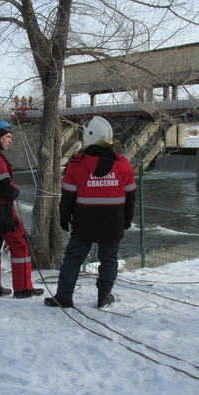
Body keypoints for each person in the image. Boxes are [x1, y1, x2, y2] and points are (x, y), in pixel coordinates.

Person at [44, 116, 136, 309]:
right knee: (109, 260)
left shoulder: (76, 163)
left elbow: (67, 195)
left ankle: (64, 297)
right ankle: (103, 297)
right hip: (113, 222)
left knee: (73, 260)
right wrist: (126, 220)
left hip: (84, 223)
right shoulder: (123, 164)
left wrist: (64, 217)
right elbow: (130, 197)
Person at [0, 120, 43, 299]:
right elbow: (1, 187)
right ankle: (23, 288)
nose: (10, 141)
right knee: (20, 244)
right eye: (8, 137)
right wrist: (15, 191)